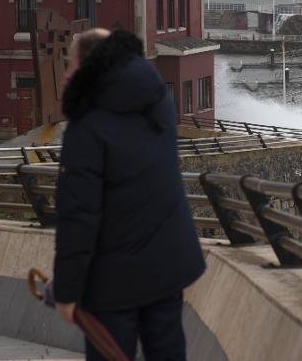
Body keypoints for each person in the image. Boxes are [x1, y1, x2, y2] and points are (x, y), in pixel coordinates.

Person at [53, 28, 205, 360]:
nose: (66, 73)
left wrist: (66, 293)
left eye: (71, 64)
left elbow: (79, 216)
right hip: (167, 267)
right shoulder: (157, 103)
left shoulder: (87, 128)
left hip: (112, 282)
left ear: (91, 68)